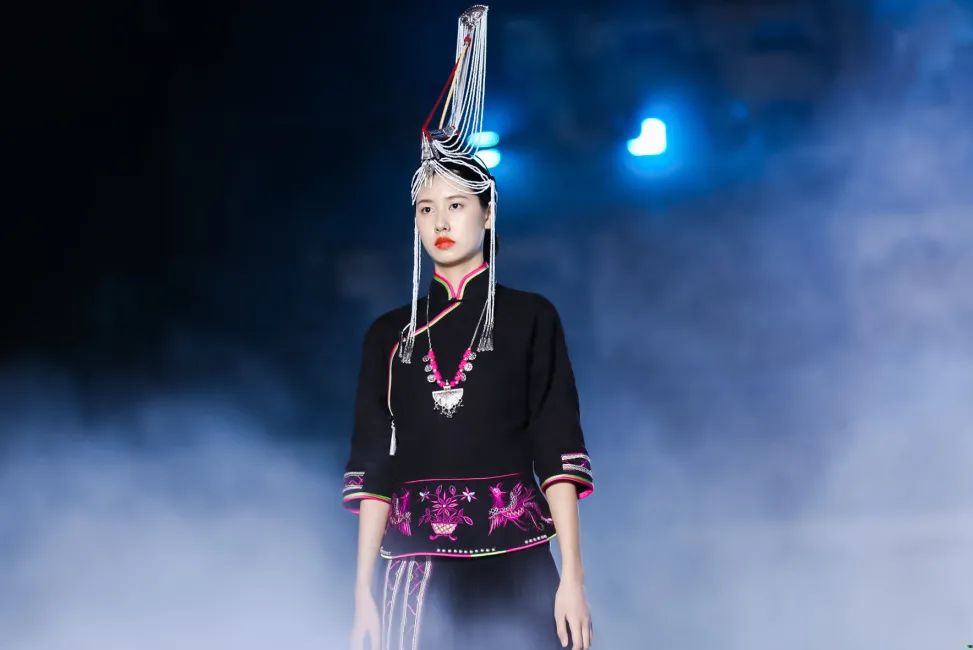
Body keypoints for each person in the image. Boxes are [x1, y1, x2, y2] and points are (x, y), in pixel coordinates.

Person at [342, 6, 594, 649]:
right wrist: (362, 591)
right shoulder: (389, 336)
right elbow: (374, 467)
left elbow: (555, 446)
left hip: (519, 557)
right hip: (417, 566)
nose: (440, 222)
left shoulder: (531, 317)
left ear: (487, 214)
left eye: (456, 205)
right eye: (426, 209)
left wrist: (572, 577)